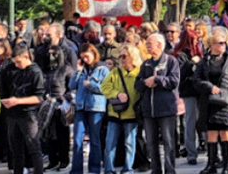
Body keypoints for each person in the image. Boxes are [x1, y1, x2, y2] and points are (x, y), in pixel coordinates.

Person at [135, 33, 181, 174]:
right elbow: (137, 84)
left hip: (166, 109)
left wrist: (157, 79)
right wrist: (146, 82)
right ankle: (156, 170)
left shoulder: (171, 61)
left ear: (159, 45)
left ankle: (169, 170)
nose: (147, 46)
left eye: (150, 44)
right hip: (149, 110)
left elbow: (174, 81)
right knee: (151, 143)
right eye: (147, 44)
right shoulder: (146, 64)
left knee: (168, 142)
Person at [0, 44, 44, 174]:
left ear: (26, 57)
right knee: (16, 150)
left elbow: (39, 97)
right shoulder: (15, 71)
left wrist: (18, 101)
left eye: (18, 62)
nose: (17, 65)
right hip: (13, 114)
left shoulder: (35, 72)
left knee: (34, 148)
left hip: (28, 114)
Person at [195, 28, 228, 174]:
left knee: (225, 132)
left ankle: (227, 165)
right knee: (211, 133)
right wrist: (209, 87)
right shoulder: (204, 61)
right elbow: (196, 80)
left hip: (225, 101)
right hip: (208, 101)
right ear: (212, 45)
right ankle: (211, 164)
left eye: (225, 43)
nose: (223, 45)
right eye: (220, 43)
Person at [69, 45, 110, 174]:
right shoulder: (82, 69)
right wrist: (77, 71)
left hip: (96, 107)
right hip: (81, 106)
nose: (85, 59)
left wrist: (91, 85)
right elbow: (71, 85)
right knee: (77, 138)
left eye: (87, 56)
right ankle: (76, 170)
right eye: (83, 57)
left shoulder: (103, 69)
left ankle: (94, 169)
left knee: (94, 139)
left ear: (93, 53)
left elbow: (105, 89)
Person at [100, 45, 140, 174]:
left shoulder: (139, 72)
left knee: (129, 143)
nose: (121, 59)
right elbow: (104, 87)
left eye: (124, 56)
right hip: (115, 113)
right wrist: (117, 94)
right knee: (110, 143)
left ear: (132, 57)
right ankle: (109, 169)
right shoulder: (116, 72)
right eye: (120, 56)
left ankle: (128, 169)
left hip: (131, 114)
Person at [174, 29, 204, 167]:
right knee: (190, 122)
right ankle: (191, 153)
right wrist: (191, 63)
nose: (197, 42)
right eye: (194, 39)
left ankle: (206, 146)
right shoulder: (181, 55)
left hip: (202, 90)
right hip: (189, 91)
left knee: (203, 120)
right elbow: (179, 73)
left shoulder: (201, 53)